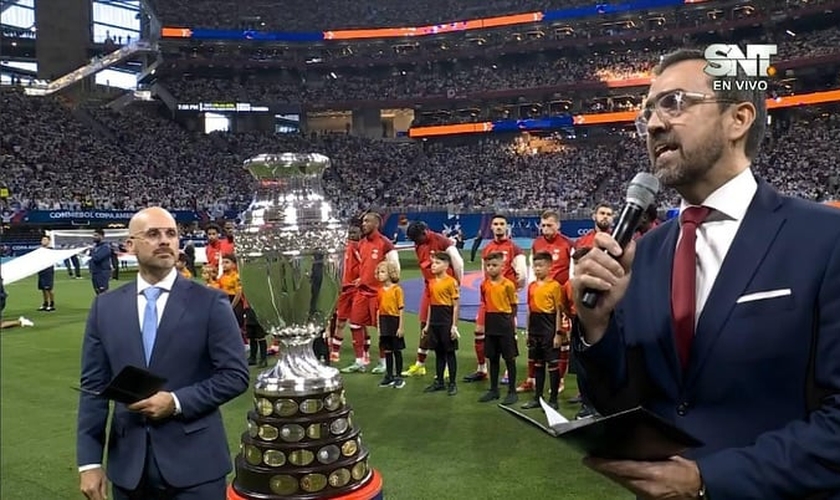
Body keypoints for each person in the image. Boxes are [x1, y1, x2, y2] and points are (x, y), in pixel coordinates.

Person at [571, 49, 840, 499]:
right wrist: (596, 331)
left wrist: (707, 481)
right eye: (648, 112)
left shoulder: (825, 238)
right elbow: (620, 406)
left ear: (738, 118)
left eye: (675, 103)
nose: (655, 125)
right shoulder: (645, 253)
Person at [76, 207, 249, 500]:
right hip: (129, 470)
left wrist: (177, 402)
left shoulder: (210, 302)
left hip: (197, 469)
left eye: (171, 234)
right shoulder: (105, 308)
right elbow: (93, 388)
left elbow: (235, 375)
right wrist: (90, 462)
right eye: (153, 234)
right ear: (130, 245)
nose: (165, 241)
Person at [464, 214, 526, 383]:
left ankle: (507, 371)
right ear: (491, 227)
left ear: (506, 227)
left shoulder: (514, 248)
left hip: (505, 300)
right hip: (488, 298)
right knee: (479, 331)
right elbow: (483, 273)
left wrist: (513, 291)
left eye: (501, 224)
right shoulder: (487, 248)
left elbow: (522, 275)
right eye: (496, 224)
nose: (498, 227)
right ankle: (482, 369)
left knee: (509, 334)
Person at [517, 210, 574, 393]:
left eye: (549, 225)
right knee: (535, 339)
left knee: (562, 339)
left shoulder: (567, 244)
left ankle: (560, 381)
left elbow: (573, 271)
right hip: (539, 295)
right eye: (543, 225)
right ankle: (531, 379)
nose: (546, 228)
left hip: (560, 298)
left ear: (558, 225)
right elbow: (533, 268)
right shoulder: (537, 243)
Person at [402, 221, 464, 377]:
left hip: (445, 290)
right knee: (425, 325)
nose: (416, 242)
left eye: (417, 238)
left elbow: (458, 261)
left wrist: (458, 283)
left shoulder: (441, 240)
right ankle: (420, 364)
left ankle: (447, 367)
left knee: (446, 328)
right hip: (429, 289)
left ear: (425, 232)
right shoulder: (418, 245)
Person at [342, 212, 400, 374]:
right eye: (363, 221)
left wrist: (389, 287)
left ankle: (383, 362)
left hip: (379, 294)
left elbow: (395, 267)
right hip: (362, 292)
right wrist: (361, 278)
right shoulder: (361, 244)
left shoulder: (385, 243)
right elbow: (364, 265)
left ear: (376, 224)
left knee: (382, 329)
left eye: (367, 221)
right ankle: (359, 361)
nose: (363, 224)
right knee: (354, 324)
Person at [521, 252, 569, 411]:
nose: (537, 269)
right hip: (535, 328)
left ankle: (553, 399)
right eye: (535, 266)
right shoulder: (532, 286)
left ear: (550, 267)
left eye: (540, 266)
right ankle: (537, 398)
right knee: (538, 364)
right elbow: (529, 309)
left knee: (553, 365)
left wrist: (558, 333)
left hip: (548, 328)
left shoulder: (555, 286)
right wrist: (528, 331)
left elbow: (557, 311)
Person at [477, 252, 519, 406]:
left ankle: (512, 391)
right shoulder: (484, 284)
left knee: (509, 357)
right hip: (490, 321)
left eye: (494, 265)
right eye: (488, 266)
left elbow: (513, 305)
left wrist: (510, 322)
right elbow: (484, 301)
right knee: (492, 357)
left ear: (502, 267)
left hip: (504, 322)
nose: (490, 268)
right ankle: (494, 389)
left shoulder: (508, 284)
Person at [422, 252, 460, 396]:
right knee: (438, 353)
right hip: (435, 321)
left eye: (437, 263)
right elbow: (431, 304)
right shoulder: (431, 283)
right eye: (433, 263)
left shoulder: (451, 282)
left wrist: (454, 326)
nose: (433, 266)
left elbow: (456, 305)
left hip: (446, 319)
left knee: (449, 352)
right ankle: (439, 382)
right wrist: (427, 324)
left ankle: (452, 383)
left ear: (446, 265)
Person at [329, 222, 362, 364]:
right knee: (340, 322)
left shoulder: (358, 247)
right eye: (350, 233)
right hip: (343, 290)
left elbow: (365, 264)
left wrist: (362, 278)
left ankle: (362, 354)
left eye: (354, 233)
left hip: (355, 289)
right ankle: (335, 352)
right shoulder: (341, 248)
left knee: (358, 323)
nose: (352, 236)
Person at [375, 261, 406, 389]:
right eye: (379, 272)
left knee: (396, 349)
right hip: (384, 321)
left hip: (394, 320)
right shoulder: (380, 291)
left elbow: (401, 309)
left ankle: (398, 376)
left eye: (383, 272)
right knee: (387, 349)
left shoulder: (397, 290)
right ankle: (389, 375)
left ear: (390, 273)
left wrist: (401, 326)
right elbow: (378, 309)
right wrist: (379, 326)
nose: (380, 275)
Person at [89, 229, 112, 295]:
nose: (93, 237)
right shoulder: (96, 247)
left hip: (102, 273)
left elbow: (97, 258)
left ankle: (107, 305)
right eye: (93, 235)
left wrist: (92, 252)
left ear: (101, 236)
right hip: (95, 272)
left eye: (96, 235)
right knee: (97, 292)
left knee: (103, 292)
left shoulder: (105, 247)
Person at [37, 235, 56, 311]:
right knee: (43, 288)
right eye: (42, 240)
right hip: (41, 270)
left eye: (45, 240)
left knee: (49, 288)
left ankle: (51, 303)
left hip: (48, 270)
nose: (43, 241)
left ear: (49, 241)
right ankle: (45, 303)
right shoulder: (39, 250)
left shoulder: (51, 250)